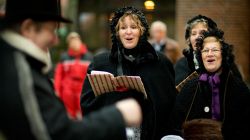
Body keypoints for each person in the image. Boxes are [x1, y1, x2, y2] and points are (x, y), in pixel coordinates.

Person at [0, 0, 143, 139]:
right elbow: (57, 134)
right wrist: (118, 115)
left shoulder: (18, 63)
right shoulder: (19, 71)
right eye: (52, 30)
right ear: (28, 28)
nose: (55, 40)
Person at [81, 6, 177, 140]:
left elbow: (170, 106)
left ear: (142, 31)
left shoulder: (160, 62)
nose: (128, 32)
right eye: (123, 28)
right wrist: (116, 100)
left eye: (133, 27)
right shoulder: (100, 62)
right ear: (117, 32)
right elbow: (86, 104)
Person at [168, 29, 250, 139]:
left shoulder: (239, 89)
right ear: (200, 56)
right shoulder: (189, 87)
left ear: (223, 54)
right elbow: (175, 124)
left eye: (215, 50)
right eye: (205, 51)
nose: (210, 54)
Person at [174, 15, 242, 86]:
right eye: (193, 34)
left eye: (202, 32)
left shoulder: (226, 61)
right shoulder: (181, 65)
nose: (197, 37)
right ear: (189, 39)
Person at [54, 32, 93, 120]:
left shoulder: (89, 57)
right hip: (68, 90)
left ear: (80, 41)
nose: (74, 43)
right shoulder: (64, 57)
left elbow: (91, 75)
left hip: (82, 89)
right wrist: (57, 90)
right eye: (71, 41)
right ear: (69, 44)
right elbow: (59, 75)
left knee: (83, 112)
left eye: (76, 40)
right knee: (69, 114)